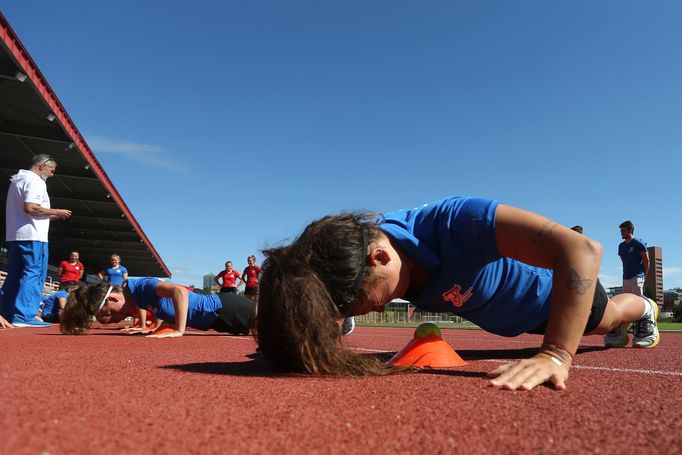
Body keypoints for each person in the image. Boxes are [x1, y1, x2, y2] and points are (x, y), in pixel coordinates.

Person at [256, 196, 660, 391]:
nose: (373, 308)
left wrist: (556, 352)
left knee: (609, 319)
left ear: (380, 256)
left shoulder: (456, 222)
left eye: (372, 301)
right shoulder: (359, 256)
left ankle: (646, 308)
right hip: (516, 322)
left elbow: (582, 249)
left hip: (559, 301)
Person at [0, 154, 72, 327]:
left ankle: (6, 312)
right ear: (42, 166)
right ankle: (24, 316)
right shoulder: (36, 181)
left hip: (17, 234)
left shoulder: (17, 180)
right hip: (34, 236)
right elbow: (30, 207)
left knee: (15, 274)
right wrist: (57, 211)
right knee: (34, 273)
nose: (52, 174)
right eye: (51, 170)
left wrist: (51, 215)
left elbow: (27, 211)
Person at [60, 277, 256, 337]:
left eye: (112, 314)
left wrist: (179, 331)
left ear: (112, 299)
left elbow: (179, 292)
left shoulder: (143, 286)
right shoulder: (138, 297)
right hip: (218, 321)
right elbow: (165, 308)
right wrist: (159, 328)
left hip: (224, 308)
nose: (117, 319)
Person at [618, 221, 649, 296]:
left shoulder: (638, 243)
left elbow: (646, 260)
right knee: (627, 302)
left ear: (630, 230)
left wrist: (644, 274)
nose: (621, 233)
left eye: (623, 231)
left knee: (638, 301)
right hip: (625, 278)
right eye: (621, 231)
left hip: (637, 277)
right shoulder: (621, 246)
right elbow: (624, 261)